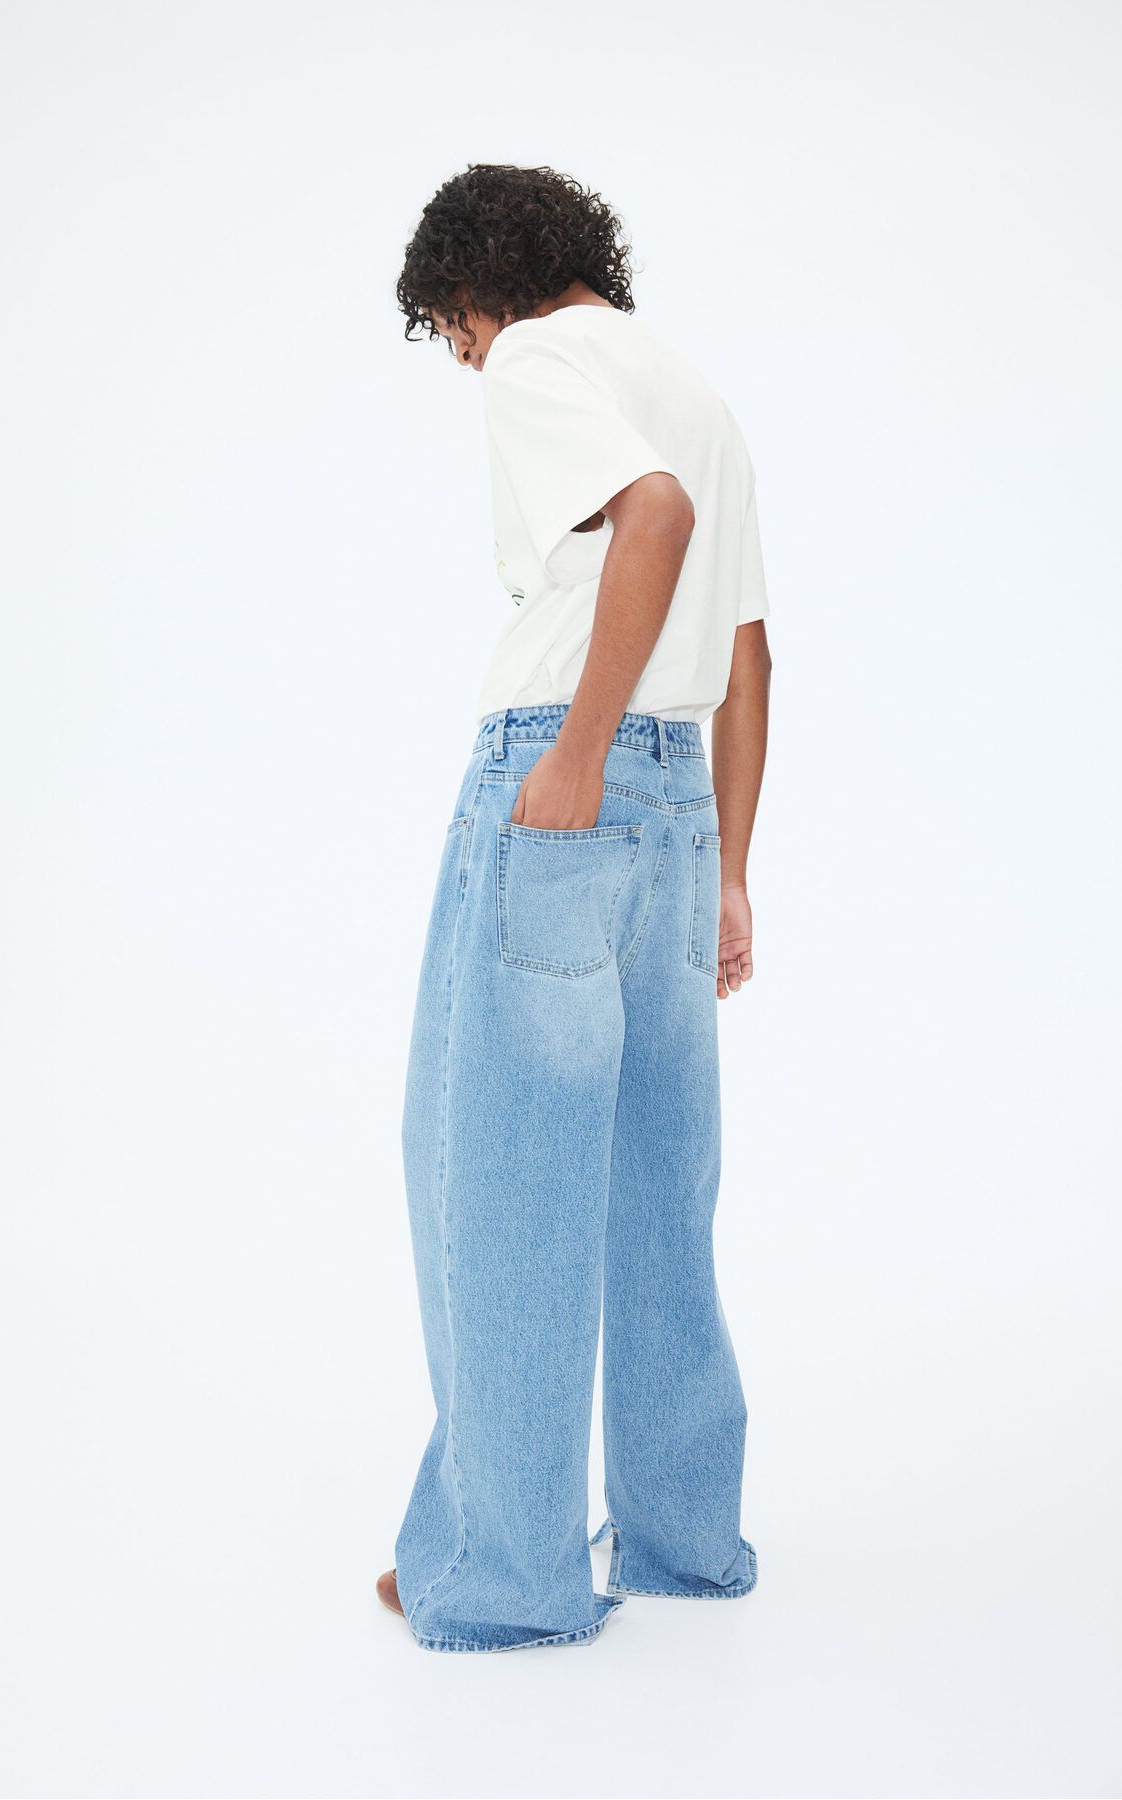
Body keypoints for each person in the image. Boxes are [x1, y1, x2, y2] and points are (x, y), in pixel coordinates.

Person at [380, 163, 772, 1653]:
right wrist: (728, 868)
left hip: (565, 779)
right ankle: (683, 1540)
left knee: (493, 1179)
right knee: (656, 1189)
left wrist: (577, 754)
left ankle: (508, 1578)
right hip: (679, 814)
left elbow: (649, 520)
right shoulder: (694, 390)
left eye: (452, 329)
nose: (463, 356)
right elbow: (749, 653)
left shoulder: (539, 359)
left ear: (477, 287)